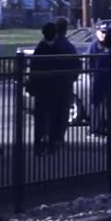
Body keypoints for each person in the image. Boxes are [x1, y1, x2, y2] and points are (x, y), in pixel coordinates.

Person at [28, 22, 81, 154]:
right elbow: (75, 65)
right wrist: (71, 78)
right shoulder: (64, 47)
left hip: (43, 88)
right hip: (60, 87)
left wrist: (32, 84)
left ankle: (40, 144)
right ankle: (54, 143)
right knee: (58, 116)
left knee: (41, 117)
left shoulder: (40, 48)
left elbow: (34, 67)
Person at [85, 26, 111, 136]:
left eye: (105, 32)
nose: (103, 34)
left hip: (105, 85)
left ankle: (106, 134)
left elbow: (99, 72)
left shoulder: (104, 56)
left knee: (106, 108)